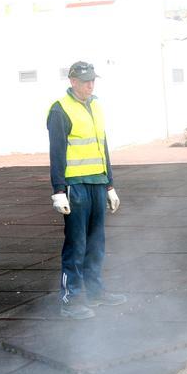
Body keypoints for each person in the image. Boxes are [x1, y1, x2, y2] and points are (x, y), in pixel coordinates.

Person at [47, 61, 127, 319]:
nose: (89, 85)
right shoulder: (60, 110)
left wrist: (110, 184)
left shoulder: (97, 106)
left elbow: (102, 147)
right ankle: (71, 300)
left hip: (96, 183)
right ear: (72, 81)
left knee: (96, 244)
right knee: (76, 245)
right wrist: (58, 190)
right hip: (75, 186)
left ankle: (95, 292)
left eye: (92, 80)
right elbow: (57, 153)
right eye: (84, 81)